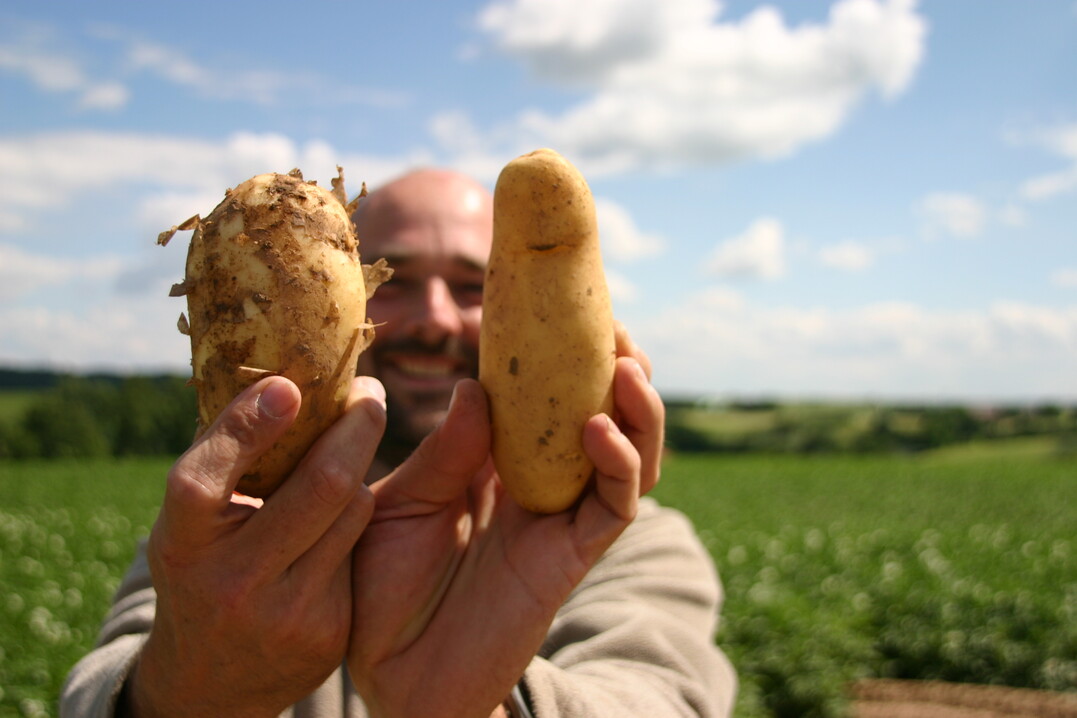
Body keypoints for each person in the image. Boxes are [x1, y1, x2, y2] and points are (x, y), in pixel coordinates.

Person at [61, 168, 737, 717]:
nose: (435, 318)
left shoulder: (619, 542)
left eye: (474, 284)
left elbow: (655, 696)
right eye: (394, 277)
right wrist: (187, 691)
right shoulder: (222, 546)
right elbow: (97, 686)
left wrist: (473, 710)